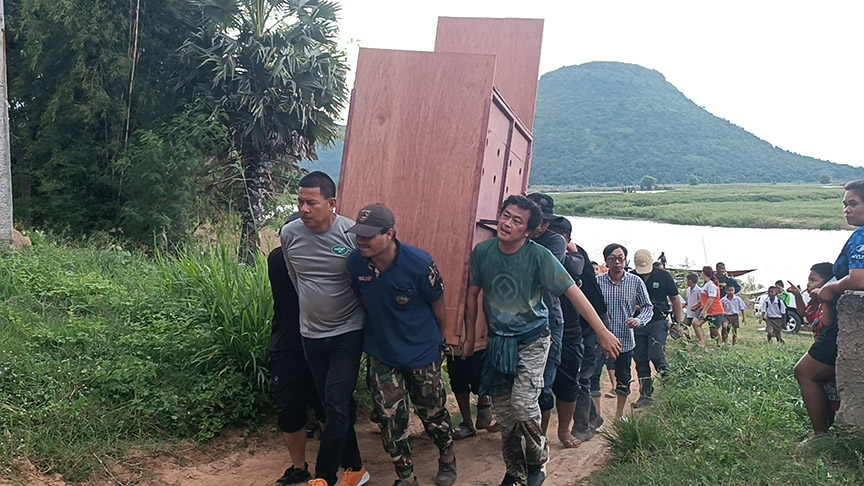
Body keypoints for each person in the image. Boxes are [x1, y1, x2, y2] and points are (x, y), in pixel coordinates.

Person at [463, 195, 621, 486]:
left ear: (529, 231)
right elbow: (472, 295)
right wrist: (471, 337)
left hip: (533, 339)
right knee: (506, 415)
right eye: (505, 216)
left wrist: (602, 331)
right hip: (500, 343)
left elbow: (574, 293)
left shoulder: (539, 256)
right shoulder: (482, 252)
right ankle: (514, 470)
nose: (507, 223)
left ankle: (537, 459)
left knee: (524, 404)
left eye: (516, 221)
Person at [345, 204, 457, 486]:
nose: (361, 240)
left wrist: (439, 342)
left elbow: (438, 306)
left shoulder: (419, 264)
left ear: (390, 234)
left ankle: (446, 456)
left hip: (422, 353)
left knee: (432, 414)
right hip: (383, 353)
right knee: (390, 418)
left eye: (369, 235)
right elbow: (365, 301)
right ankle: (406, 477)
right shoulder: (355, 264)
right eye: (359, 234)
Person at [280, 171, 369, 486]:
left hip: (348, 331)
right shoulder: (289, 234)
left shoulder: (350, 235)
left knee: (334, 402)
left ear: (332, 203)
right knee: (333, 404)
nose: (304, 209)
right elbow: (296, 278)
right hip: (311, 334)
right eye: (300, 202)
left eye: (311, 203)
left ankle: (324, 477)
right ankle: (356, 468)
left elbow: (364, 282)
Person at [798, 180, 864, 437]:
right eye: (845, 205)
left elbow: (859, 278)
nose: (847, 210)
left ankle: (820, 435)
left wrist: (832, 289)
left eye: (854, 204)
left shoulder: (861, 235)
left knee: (805, 372)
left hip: (845, 326)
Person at [269, 213, 325, 485]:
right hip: (289, 345)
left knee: (326, 406)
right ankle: (300, 468)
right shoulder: (278, 260)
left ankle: (326, 466)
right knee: (293, 409)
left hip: (317, 341)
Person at [547, 216, 609, 444]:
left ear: (568, 240)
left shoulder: (574, 258)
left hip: (591, 326)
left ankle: (583, 426)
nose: (553, 243)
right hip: (577, 325)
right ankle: (593, 416)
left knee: (580, 377)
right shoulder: (558, 253)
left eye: (558, 238)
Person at [525, 193, 567, 438]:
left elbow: (544, 277)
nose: (540, 227)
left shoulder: (555, 243)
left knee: (544, 384)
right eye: (535, 221)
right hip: (518, 321)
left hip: (550, 321)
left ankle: (539, 436)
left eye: (544, 222)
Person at [596, 243, 653, 419]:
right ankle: (596, 416)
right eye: (612, 259)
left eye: (620, 258)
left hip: (625, 340)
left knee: (624, 378)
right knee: (593, 377)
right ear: (606, 262)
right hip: (600, 339)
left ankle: (619, 415)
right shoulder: (597, 282)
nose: (617, 262)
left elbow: (647, 307)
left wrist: (638, 320)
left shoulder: (635, 282)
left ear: (625, 260)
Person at [790, 262, 838, 438]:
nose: (809, 284)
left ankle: (820, 433)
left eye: (813, 280)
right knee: (826, 389)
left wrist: (825, 299)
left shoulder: (828, 301)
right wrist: (797, 295)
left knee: (803, 372)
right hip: (821, 347)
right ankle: (824, 430)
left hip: (827, 347)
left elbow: (827, 323)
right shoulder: (814, 302)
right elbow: (804, 313)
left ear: (827, 284)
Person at [631, 249, 683, 408]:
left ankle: (670, 386)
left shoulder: (664, 276)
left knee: (656, 354)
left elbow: (675, 299)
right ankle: (645, 395)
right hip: (637, 323)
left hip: (658, 321)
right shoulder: (631, 277)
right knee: (640, 360)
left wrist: (678, 323)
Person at [694, 266, 725, 347]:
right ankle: (701, 342)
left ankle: (719, 346)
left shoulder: (711, 284)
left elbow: (711, 298)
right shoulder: (707, 284)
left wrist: (704, 310)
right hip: (707, 310)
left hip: (714, 311)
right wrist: (698, 305)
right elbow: (705, 297)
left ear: (704, 273)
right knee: (696, 323)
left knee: (714, 331)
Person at [683, 273, 701, 342]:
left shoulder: (699, 290)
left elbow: (701, 301)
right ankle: (688, 339)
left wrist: (696, 307)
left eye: (687, 280)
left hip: (696, 312)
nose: (687, 282)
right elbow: (688, 300)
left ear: (690, 281)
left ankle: (699, 340)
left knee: (696, 327)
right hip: (689, 311)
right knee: (683, 326)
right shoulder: (688, 289)